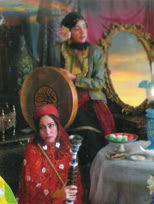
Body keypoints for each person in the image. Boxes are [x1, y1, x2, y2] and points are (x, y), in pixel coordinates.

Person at [18, 105, 148, 204]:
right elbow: (32, 187)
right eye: (42, 128)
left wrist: (71, 197)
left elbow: (76, 182)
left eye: (51, 126)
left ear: (58, 126)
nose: (48, 132)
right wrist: (56, 194)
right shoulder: (32, 150)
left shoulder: (66, 147)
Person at [54, 11, 115, 165]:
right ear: (68, 32)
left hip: (91, 103)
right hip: (67, 103)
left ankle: (93, 177)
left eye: (84, 27)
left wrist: (75, 79)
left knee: (89, 136)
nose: (82, 32)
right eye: (76, 28)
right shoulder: (60, 51)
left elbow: (99, 82)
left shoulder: (95, 53)